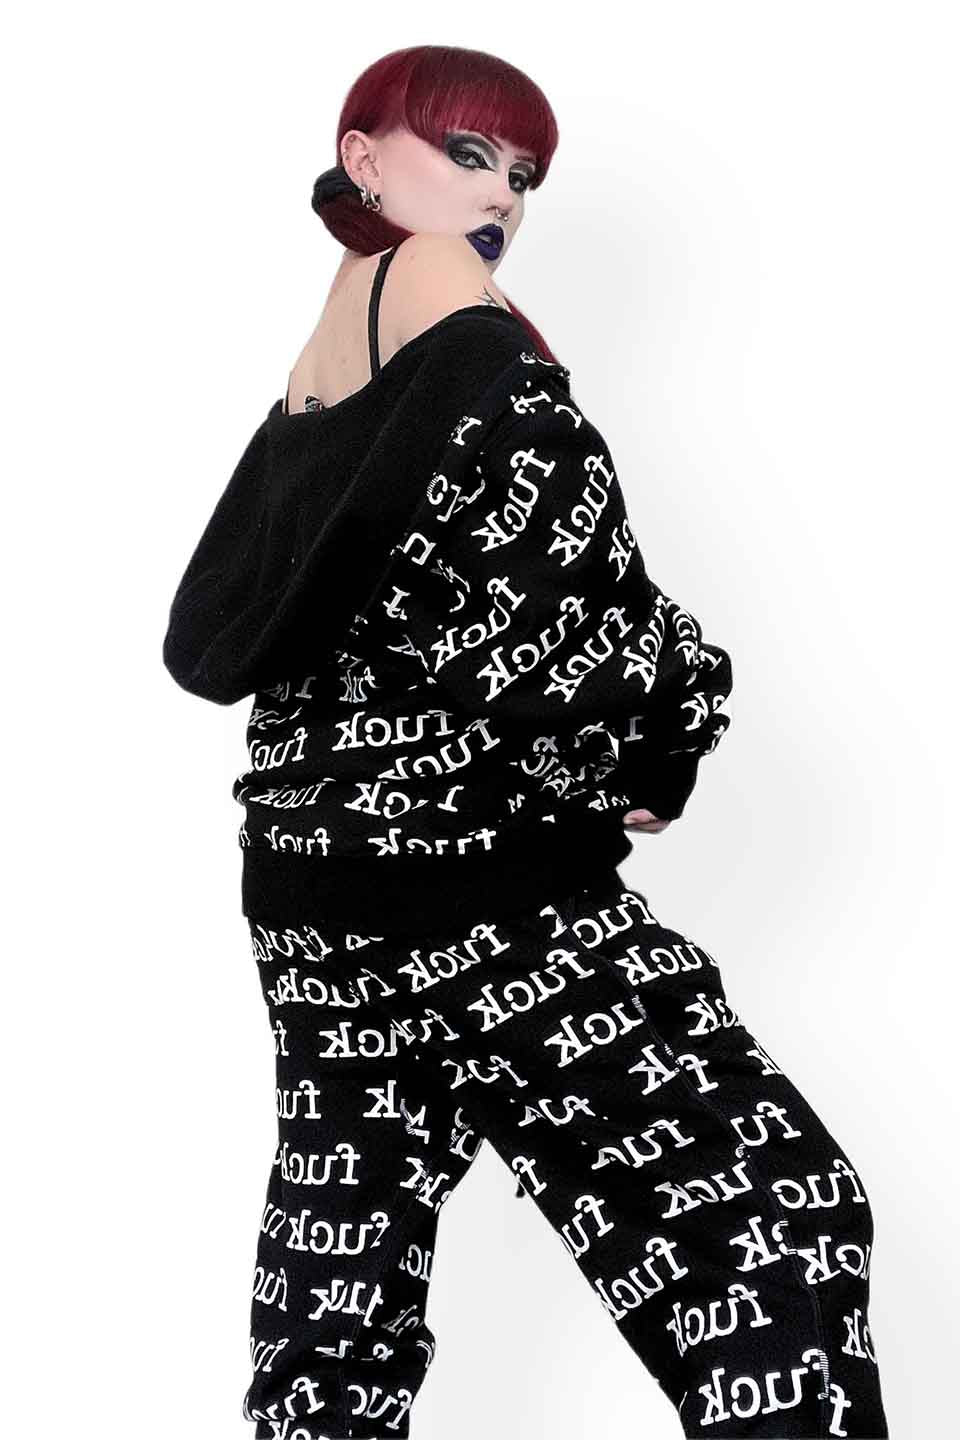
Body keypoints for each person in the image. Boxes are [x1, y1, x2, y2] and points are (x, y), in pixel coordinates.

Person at [162, 44, 889, 1440]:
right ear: (361, 157)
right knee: (774, 1215)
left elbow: (394, 612)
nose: (499, 196)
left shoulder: (326, 355)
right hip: (473, 884)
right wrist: (670, 732)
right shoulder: (447, 296)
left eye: (521, 175)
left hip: (314, 893)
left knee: (343, 1293)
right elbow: (561, 598)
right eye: (465, 153)